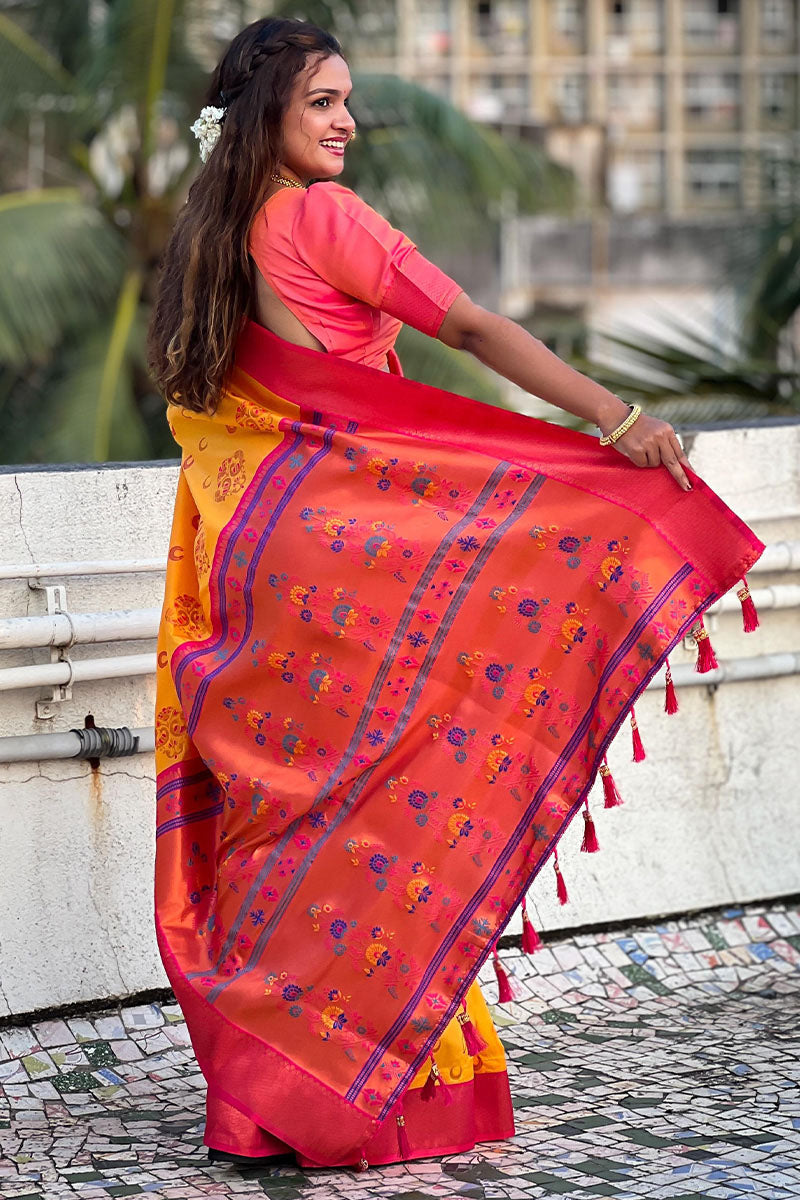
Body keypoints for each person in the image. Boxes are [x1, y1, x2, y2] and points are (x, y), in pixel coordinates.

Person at [147, 16, 764, 1174]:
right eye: (323, 102)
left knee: (299, 820)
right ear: (269, 113)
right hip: (354, 563)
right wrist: (611, 416)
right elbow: (469, 325)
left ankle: (265, 1107)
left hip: (273, 561)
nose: (345, 122)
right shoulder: (324, 216)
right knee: (376, 814)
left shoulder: (219, 231)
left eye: (347, 101)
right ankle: (356, 1101)